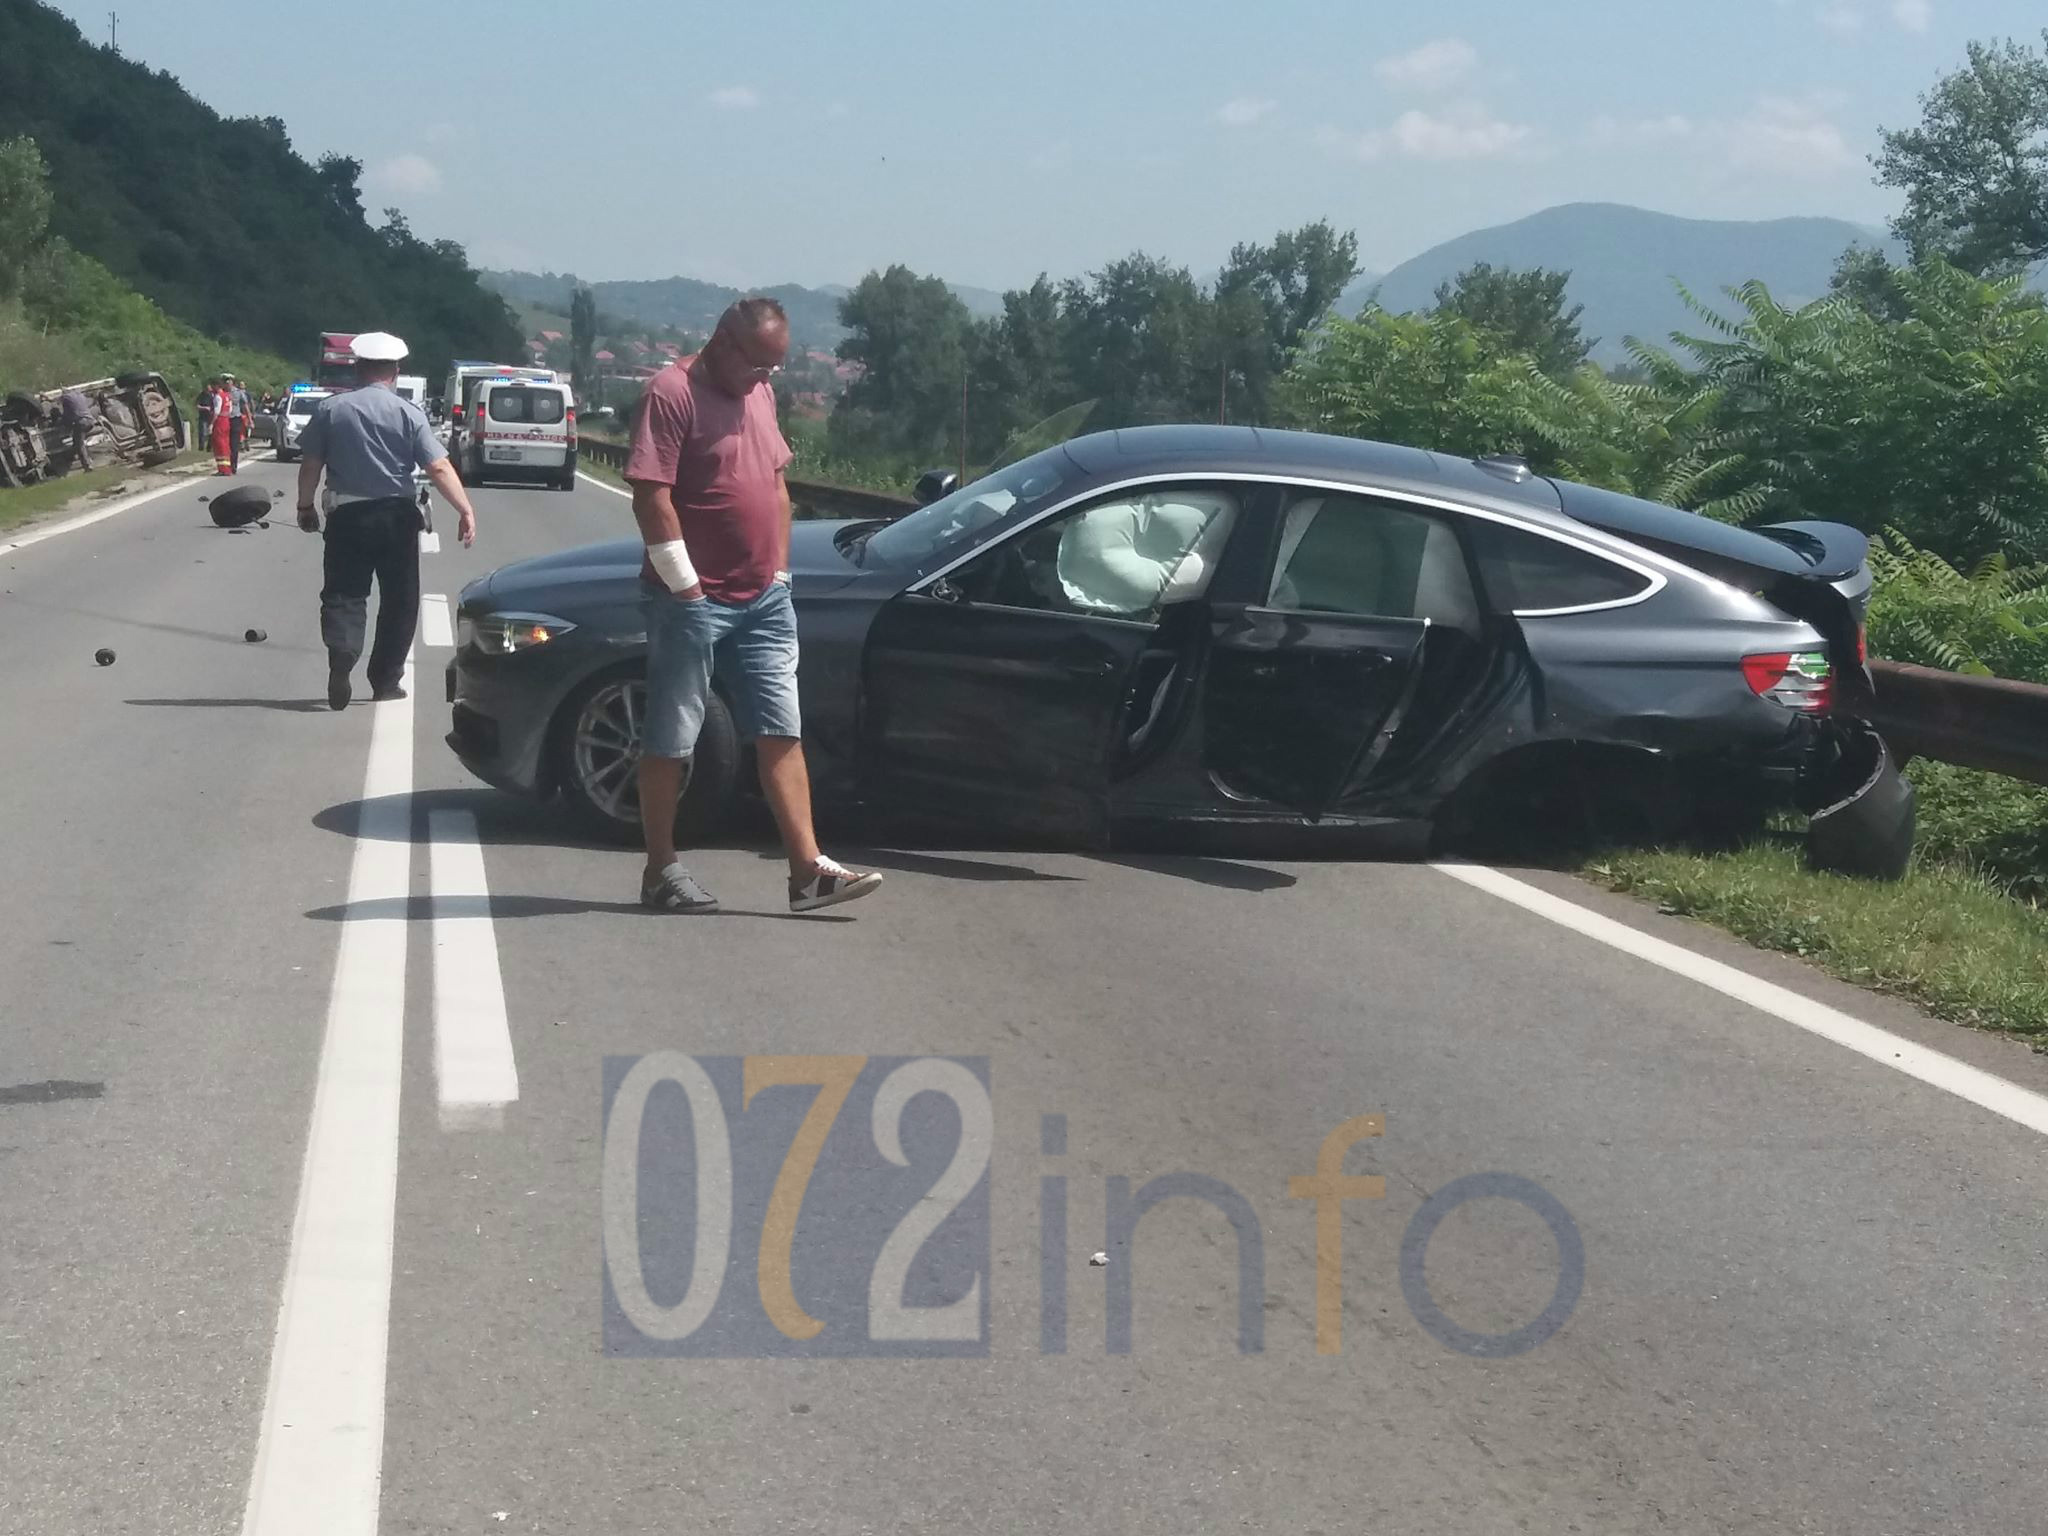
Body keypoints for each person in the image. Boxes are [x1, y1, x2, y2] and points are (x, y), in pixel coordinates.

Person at [623, 297, 881, 915]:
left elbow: (776, 483)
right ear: (723, 343)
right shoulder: (671, 393)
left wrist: (781, 573)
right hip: (690, 599)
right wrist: (686, 588)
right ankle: (660, 870)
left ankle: (808, 872)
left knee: (781, 729)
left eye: (774, 367)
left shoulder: (759, 393)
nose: (767, 377)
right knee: (673, 735)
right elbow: (651, 498)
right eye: (759, 365)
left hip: (765, 597)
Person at [296, 331, 478, 711]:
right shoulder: (409, 414)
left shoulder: (331, 410)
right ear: (395, 372)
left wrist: (305, 506)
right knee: (400, 599)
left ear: (357, 369)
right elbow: (438, 467)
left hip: (346, 516)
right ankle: (385, 680)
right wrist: (464, 509)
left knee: (344, 593)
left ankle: (343, 652)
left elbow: (311, 463)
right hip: (396, 517)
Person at [57, 387, 98, 471]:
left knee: (79, 444)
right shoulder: (79, 395)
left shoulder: (66, 398)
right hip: (90, 421)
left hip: (81, 422)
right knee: (78, 441)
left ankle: (87, 465)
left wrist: (62, 422)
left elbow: (66, 415)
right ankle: (84, 458)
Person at [207, 377, 234, 475]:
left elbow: (216, 412)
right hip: (226, 420)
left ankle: (222, 469)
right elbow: (230, 410)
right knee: (225, 444)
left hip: (220, 422)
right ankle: (227, 467)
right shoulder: (227, 396)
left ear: (216, 386)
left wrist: (211, 424)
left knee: (219, 445)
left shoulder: (218, 397)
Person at [226, 375, 253, 472]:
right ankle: (225, 465)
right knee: (225, 443)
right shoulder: (222, 392)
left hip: (235, 418)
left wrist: (250, 420)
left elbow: (246, 406)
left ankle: (233, 465)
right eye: (226, 382)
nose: (227, 384)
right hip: (225, 419)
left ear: (232, 382)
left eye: (229, 382)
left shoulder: (239, 392)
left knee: (234, 443)